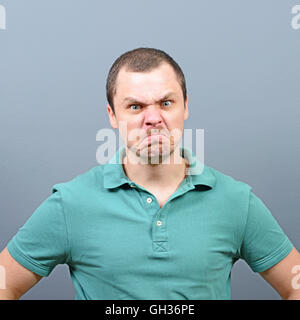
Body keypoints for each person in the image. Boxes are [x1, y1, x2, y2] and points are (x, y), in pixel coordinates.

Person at [0, 47, 299, 300]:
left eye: (166, 103)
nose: (153, 118)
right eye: (135, 106)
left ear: (185, 107)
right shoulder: (71, 203)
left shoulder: (236, 201)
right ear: (113, 116)